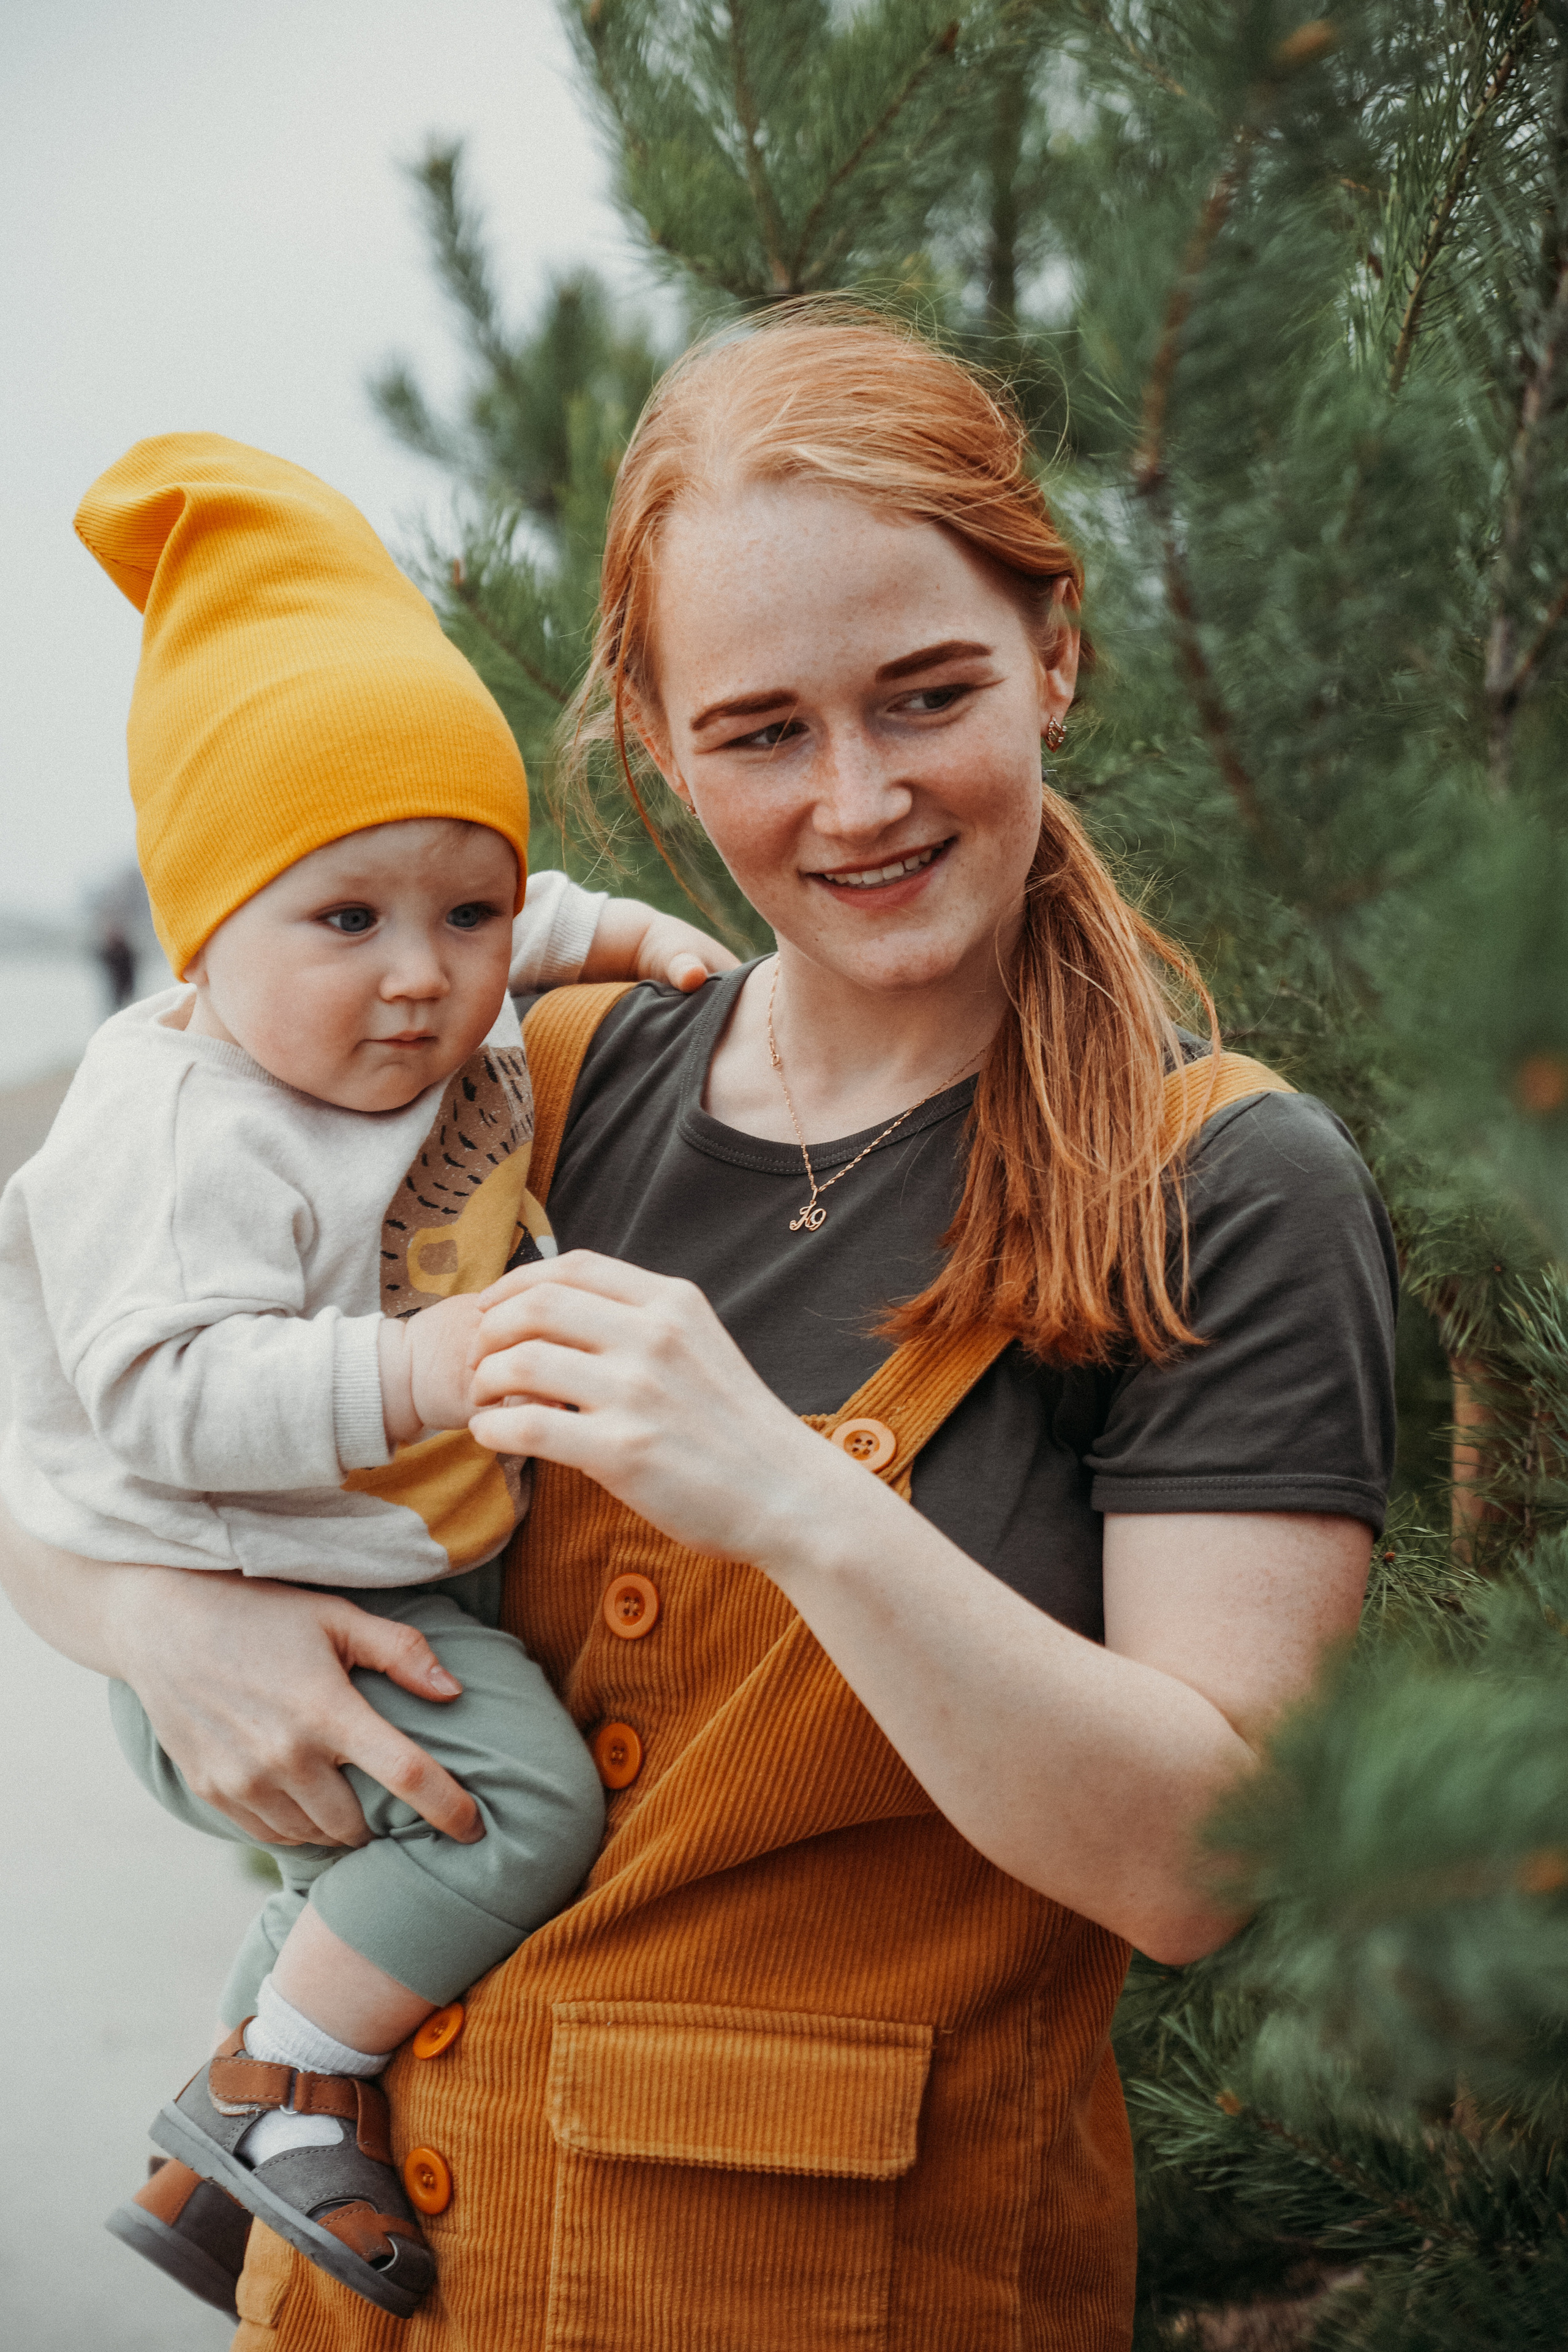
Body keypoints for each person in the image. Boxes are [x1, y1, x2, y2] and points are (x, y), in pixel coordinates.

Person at [0, 313, 1396, 2351]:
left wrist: (797, 1503)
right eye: (760, 733)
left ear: (1057, 656)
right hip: (366, 2299)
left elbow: (1199, 1866)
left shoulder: (1228, 1187)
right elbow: (79, 1394)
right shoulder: (515, 1082)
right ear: (651, 738)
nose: (858, 802)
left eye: (929, 697)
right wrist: (161, 1629)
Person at [0, 435, 732, 2324]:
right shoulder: (182, 1132)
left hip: (381, 1558)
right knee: (516, 1813)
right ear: (206, 927)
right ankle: (290, 2089)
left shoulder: (442, 969)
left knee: (418, 1835)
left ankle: (209, 2139)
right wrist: (420, 1363)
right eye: (348, 923)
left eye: (464, 917)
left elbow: (513, 897)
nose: (426, 982)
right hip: (250, 1596)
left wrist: (621, 936)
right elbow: (161, 1390)